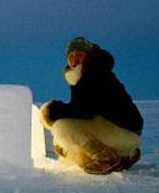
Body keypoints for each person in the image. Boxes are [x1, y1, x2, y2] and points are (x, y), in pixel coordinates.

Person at [40, 37, 143, 174]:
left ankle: (107, 160)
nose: (75, 59)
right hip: (124, 134)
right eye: (71, 55)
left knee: (62, 126)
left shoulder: (94, 74)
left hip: (122, 132)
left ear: (89, 57)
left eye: (79, 55)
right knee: (74, 152)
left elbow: (84, 111)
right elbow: (84, 108)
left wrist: (50, 111)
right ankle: (125, 156)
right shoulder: (88, 73)